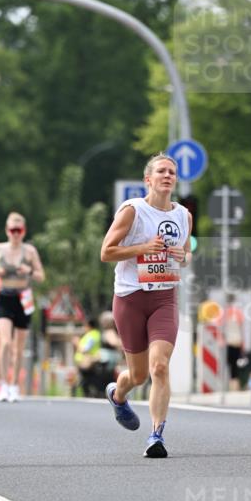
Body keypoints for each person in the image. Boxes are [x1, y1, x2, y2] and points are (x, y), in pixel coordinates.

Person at [100, 153, 192, 458]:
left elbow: (185, 252)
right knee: (137, 375)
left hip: (165, 297)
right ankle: (118, 393)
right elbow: (106, 252)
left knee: (160, 367)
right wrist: (143, 248)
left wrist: (183, 256)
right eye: (161, 171)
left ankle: (156, 436)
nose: (167, 176)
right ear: (148, 180)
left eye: (172, 172)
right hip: (130, 298)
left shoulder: (183, 216)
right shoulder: (132, 211)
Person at [0, 212, 45, 402]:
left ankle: (14, 385)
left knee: (19, 348)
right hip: (4, 297)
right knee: (5, 342)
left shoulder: (29, 251)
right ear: (7, 231)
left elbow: (41, 276)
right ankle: (2, 383)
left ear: (24, 231)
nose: (15, 234)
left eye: (19, 230)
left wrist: (30, 271)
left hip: (23, 298)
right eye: (12, 230)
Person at [73, 317, 103, 397]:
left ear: (88, 325)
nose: (83, 328)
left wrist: (77, 343)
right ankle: (92, 392)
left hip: (86, 362)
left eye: (84, 325)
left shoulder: (91, 335)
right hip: (87, 362)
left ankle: (89, 393)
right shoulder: (95, 334)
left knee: (86, 380)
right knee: (89, 379)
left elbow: (85, 349)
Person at [222, 294, 245, 391]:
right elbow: (241, 328)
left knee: (230, 365)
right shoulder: (239, 313)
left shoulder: (224, 313)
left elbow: (221, 328)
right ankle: (236, 387)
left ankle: (232, 387)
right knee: (236, 367)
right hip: (237, 341)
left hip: (228, 342)